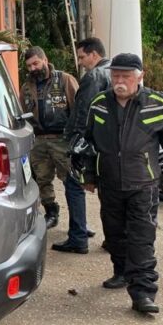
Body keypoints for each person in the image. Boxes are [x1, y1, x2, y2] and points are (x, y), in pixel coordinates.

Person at [80, 53, 163, 315]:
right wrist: (88, 176)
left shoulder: (159, 104)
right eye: (115, 75)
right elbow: (87, 143)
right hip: (109, 183)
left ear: (140, 77)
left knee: (141, 239)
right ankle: (121, 272)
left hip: (143, 184)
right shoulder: (99, 104)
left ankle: (143, 293)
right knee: (114, 235)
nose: (119, 81)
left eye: (126, 76)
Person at [54, 37, 112, 254]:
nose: (80, 62)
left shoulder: (94, 76)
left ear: (94, 54)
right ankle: (113, 239)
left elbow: (83, 113)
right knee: (108, 193)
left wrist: (76, 144)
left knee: (73, 185)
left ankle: (78, 237)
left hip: (89, 144)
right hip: (110, 144)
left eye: (81, 57)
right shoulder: (117, 73)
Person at [19, 47, 79, 229]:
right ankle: (51, 212)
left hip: (62, 140)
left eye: (36, 63)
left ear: (45, 60)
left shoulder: (65, 79)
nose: (33, 68)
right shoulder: (26, 87)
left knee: (71, 181)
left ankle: (79, 222)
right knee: (42, 179)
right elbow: (23, 113)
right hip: (38, 140)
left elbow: (79, 109)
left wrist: (76, 137)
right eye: (29, 66)